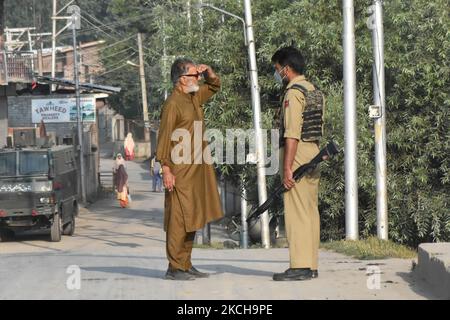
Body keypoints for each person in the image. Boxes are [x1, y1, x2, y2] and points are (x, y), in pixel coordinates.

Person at [156, 58, 223, 281]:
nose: (199, 78)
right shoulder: (173, 104)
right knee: (178, 219)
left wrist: (209, 71)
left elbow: (214, 86)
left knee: (192, 217)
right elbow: (164, 137)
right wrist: (166, 168)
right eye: (195, 75)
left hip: (197, 170)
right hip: (179, 170)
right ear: (182, 79)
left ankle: (185, 263)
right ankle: (174, 267)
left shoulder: (193, 97)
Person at [271, 46, 324, 281]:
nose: (277, 74)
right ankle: (310, 264)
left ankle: (300, 265)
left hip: (298, 154)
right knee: (310, 210)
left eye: (277, 69)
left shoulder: (293, 93)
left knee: (297, 212)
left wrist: (287, 168)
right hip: (313, 152)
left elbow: (291, 133)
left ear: (286, 69)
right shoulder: (312, 89)